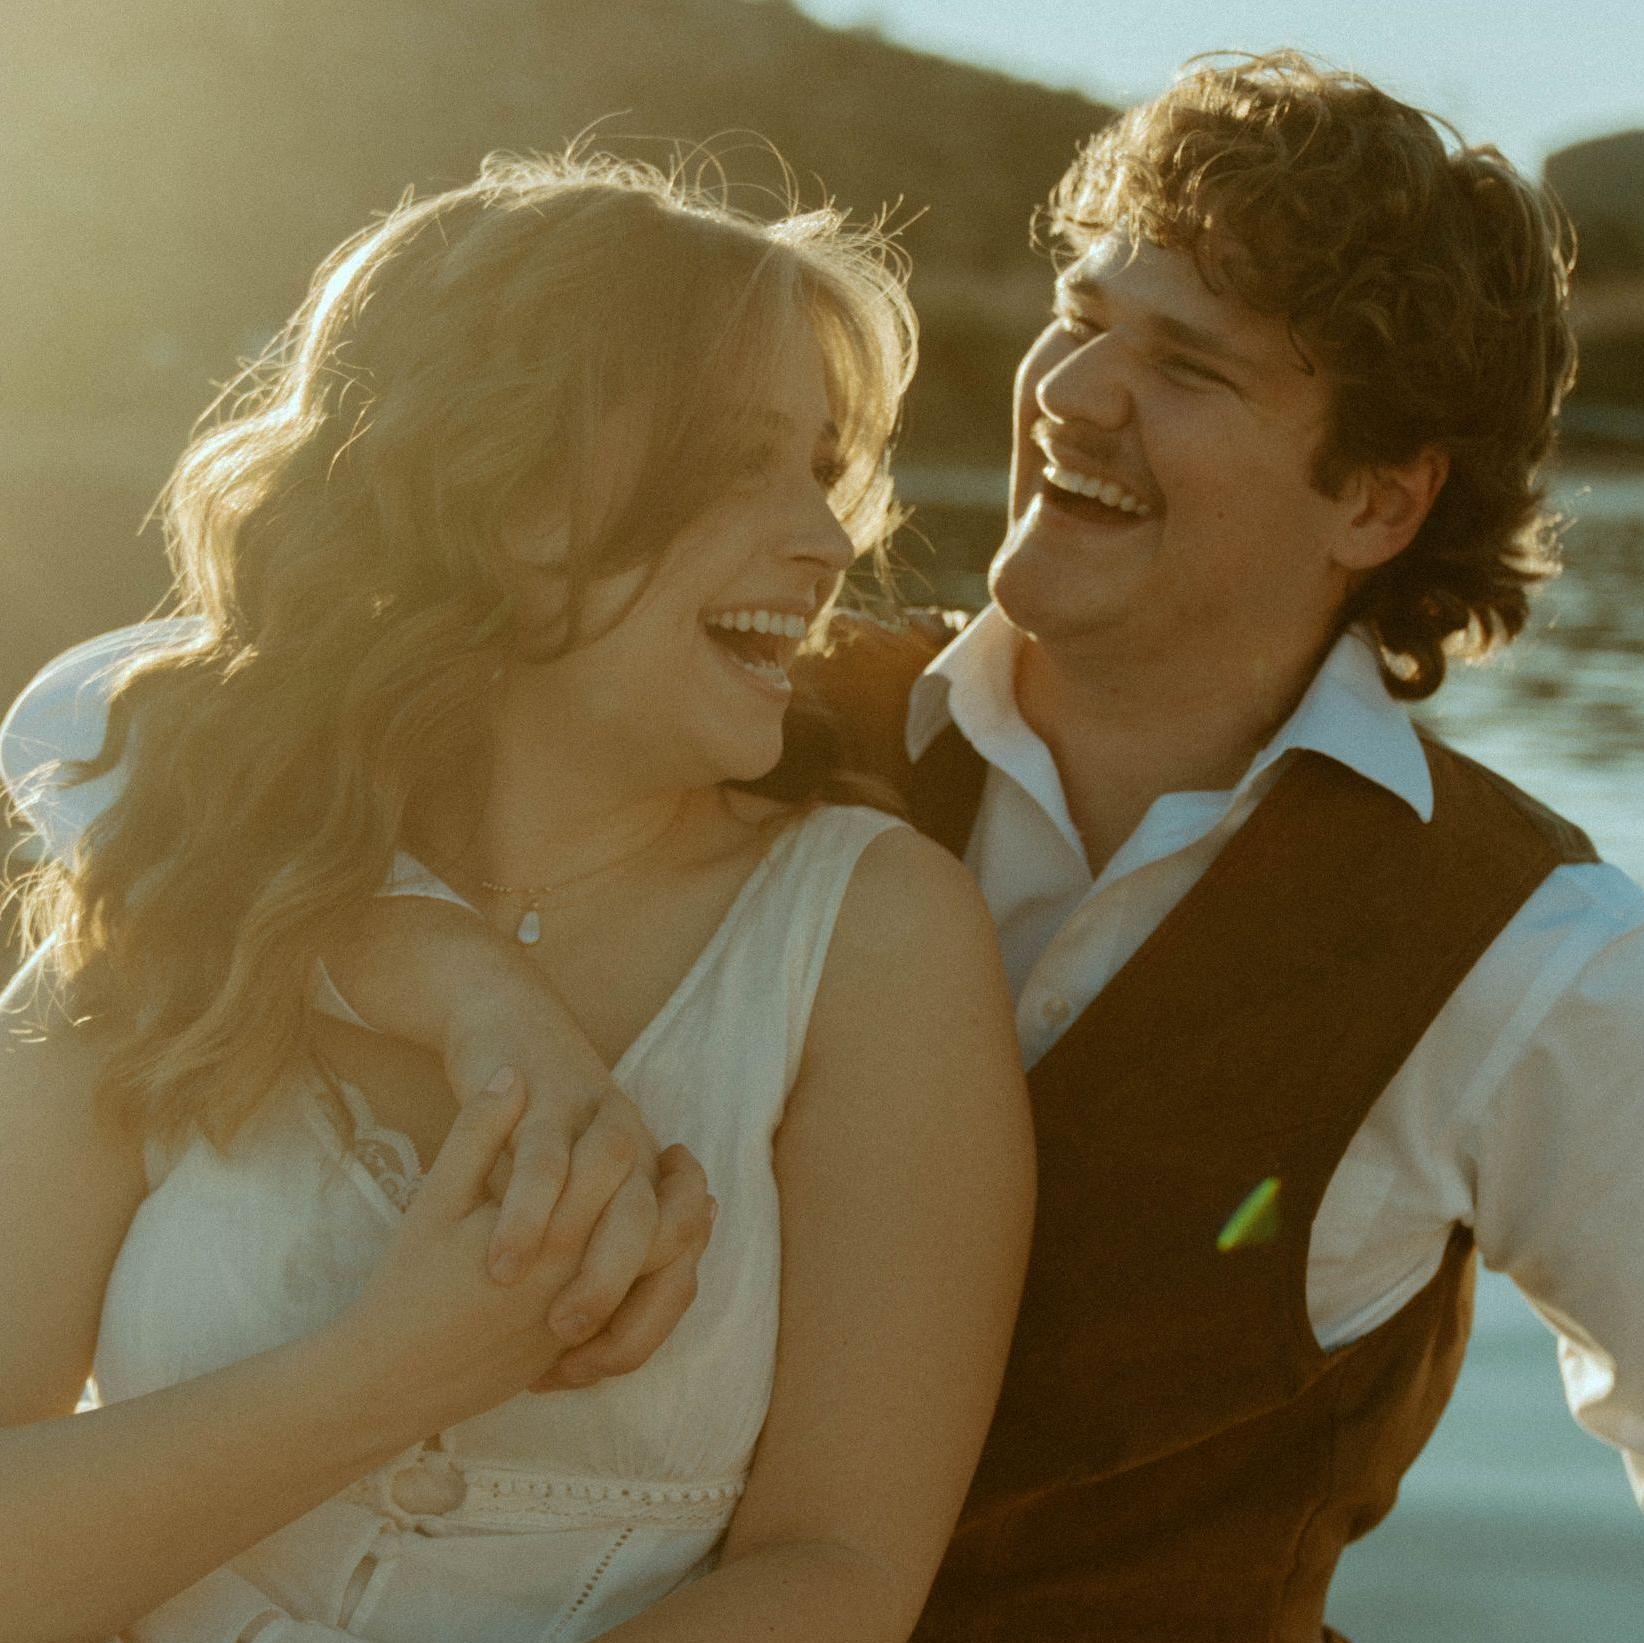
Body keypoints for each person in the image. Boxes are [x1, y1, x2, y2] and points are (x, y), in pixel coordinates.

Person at [13, 50, 1644, 1642]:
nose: (1070, 393)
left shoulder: (1527, 954)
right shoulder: (736, 697)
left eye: (1191, 368)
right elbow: (133, 723)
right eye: (1084, 317)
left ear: (1376, 502)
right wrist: (446, 970)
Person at [0, 151, 1034, 1643]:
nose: (828, 541)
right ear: (496, 490)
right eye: (742, 461)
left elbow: (840, 1573)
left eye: (821, 470)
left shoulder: (873, 936)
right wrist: (390, 1376)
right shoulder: (184, 877)